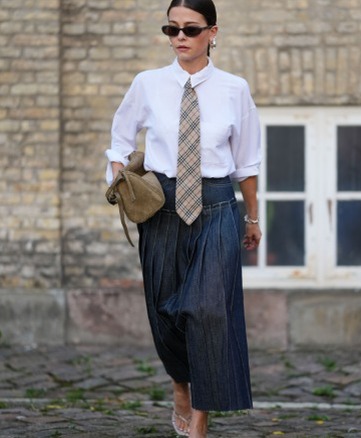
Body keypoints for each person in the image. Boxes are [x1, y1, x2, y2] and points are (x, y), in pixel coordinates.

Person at [104, 1, 260, 436]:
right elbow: (119, 140)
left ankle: (200, 420)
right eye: (171, 29)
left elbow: (246, 163)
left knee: (208, 310)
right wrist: (118, 176)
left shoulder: (235, 89)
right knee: (164, 310)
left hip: (216, 205)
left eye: (190, 30)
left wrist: (252, 218)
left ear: (213, 33)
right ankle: (180, 388)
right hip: (160, 205)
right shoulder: (147, 84)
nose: (180, 38)